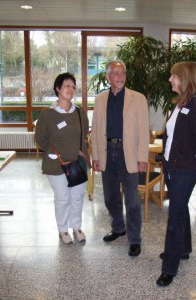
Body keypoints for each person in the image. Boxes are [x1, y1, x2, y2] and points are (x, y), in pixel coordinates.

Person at [156, 61, 196, 287]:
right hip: (173, 166)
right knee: (180, 209)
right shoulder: (181, 103)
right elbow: (173, 136)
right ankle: (185, 249)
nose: (170, 80)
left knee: (175, 214)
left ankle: (169, 267)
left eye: (174, 76)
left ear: (185, 78)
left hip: (186, 169)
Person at [91, 60, 149, 257]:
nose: (120, 76)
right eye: (115, 73)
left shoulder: (138, 98)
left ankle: (134, 239)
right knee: (110, 196)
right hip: (107, 151)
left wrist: (142, 157)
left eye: (123, 72)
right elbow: (96, 130)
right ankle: (118, 228)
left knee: (132, 199)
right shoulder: (100, 100)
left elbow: (143, 130)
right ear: (108, 77)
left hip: (129, 153)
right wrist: (96, 156)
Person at [35, 72, 90, 245]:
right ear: (58, 88)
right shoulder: (48, 114)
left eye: (73, 86)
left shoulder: (80, 112)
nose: (71, 89)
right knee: (63, 197)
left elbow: (84, 136)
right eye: (67, 85)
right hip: (56, 164)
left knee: (77, 197)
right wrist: (51, 152)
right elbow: (40, 138)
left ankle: (76, 227)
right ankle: (63, 230)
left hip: (77, 163)